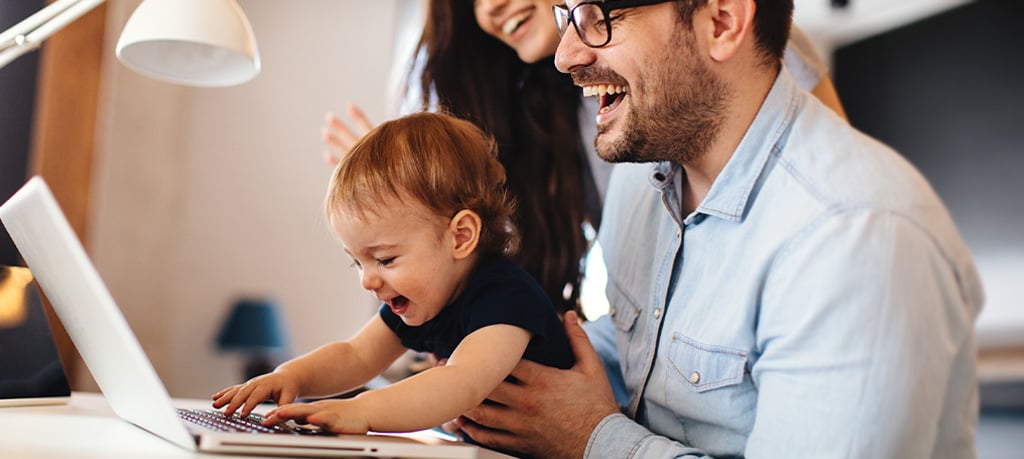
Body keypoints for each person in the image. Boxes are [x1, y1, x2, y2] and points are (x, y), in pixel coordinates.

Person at [446, 1, 986, 458]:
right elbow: (646, 349)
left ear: (722, 22)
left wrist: (593, 439)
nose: (566, 56)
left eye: (598, 17)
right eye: (567, 13)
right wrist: (501, 375)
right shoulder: (643, 181)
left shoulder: (856, 240)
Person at [323, 0, 846, 320]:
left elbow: (835, 182)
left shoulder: (723, 45)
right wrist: (410, 211)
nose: (490, 8)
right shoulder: (570, 110)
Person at [211, 112, 573, 434]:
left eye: (384, 260)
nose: (368, 281)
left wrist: (361, 410)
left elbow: (460, 383)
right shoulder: (426, 297)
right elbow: (356, 355)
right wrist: (290, 377)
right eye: (357, 262)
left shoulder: (506, 298)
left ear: (460, 237)